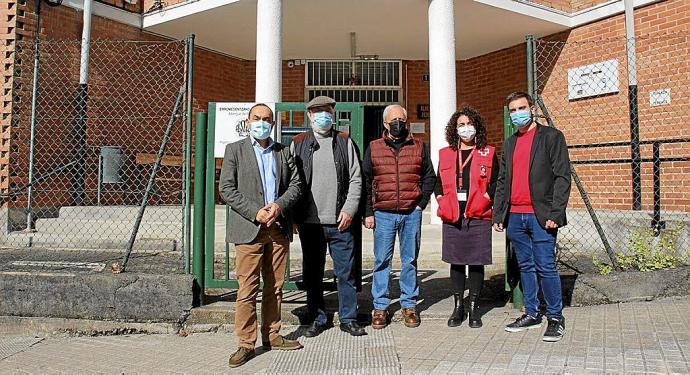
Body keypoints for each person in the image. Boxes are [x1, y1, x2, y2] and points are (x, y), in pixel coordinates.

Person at [219, 103, 304, 368]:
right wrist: (256, 212)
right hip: (249, 228)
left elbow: (296, 184)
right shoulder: (235, 150)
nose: (262, 122)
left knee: (275, 286)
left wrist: (278, 206)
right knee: (247, 288)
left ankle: (272, 334)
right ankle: (246, 343)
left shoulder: (282, 151)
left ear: (273, 124)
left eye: (267, 119)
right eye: (257, 118)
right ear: (248, 120)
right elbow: (227, 189)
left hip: (277, 228)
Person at [492, 92, 572, 342]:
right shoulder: (510, 143)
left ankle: (556, 317)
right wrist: (498, 212)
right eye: (513, 110)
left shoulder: (551, 137)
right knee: (525, 266)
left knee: (546, 266)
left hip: (541, 216)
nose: (518, 113)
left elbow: (562, 177)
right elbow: (503, 181)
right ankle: (532, 313)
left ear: (533, 109)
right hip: (515, 217)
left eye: (522, 108)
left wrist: (555, 213)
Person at [291, 96, 366, 337]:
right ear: (310, 115)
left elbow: (356, 179)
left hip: (340, 220)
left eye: (327, 111)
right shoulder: (298, 143)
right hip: (310, 222)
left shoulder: (344, 141)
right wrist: (293, 214)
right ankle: (318, 318)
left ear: (333, 115)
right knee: (312, 274)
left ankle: (348, 318)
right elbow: (290, 181)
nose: (323, 115)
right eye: (318, 112)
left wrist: (349, 209)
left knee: (346, 272)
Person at [362, 104, 436, 329]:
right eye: (394, 120)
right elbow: (365, 181)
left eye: (402, 120)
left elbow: (429, 177)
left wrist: (420, 205)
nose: (398, 124)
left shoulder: (419, 146)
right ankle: (380, 306)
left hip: (410, 214)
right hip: (383, 214)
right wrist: (368, 212)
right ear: (385, 124)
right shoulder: (374, 148)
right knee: (381, 261)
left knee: (410, 260)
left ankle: (409, 304)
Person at [434, 107, 498, 328]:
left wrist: (487, 197)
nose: (465, 128)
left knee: (477, 262)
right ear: (455, 128)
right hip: (453, 214)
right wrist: (441, 199)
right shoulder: (446, 153)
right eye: (461, 124)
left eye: (469, 124)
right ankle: (458, 306)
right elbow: (437, 182)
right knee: (457, 262)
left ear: (477, 127)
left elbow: (496, 180)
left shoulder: (487, 152)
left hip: (479, 214)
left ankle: (473, 308)